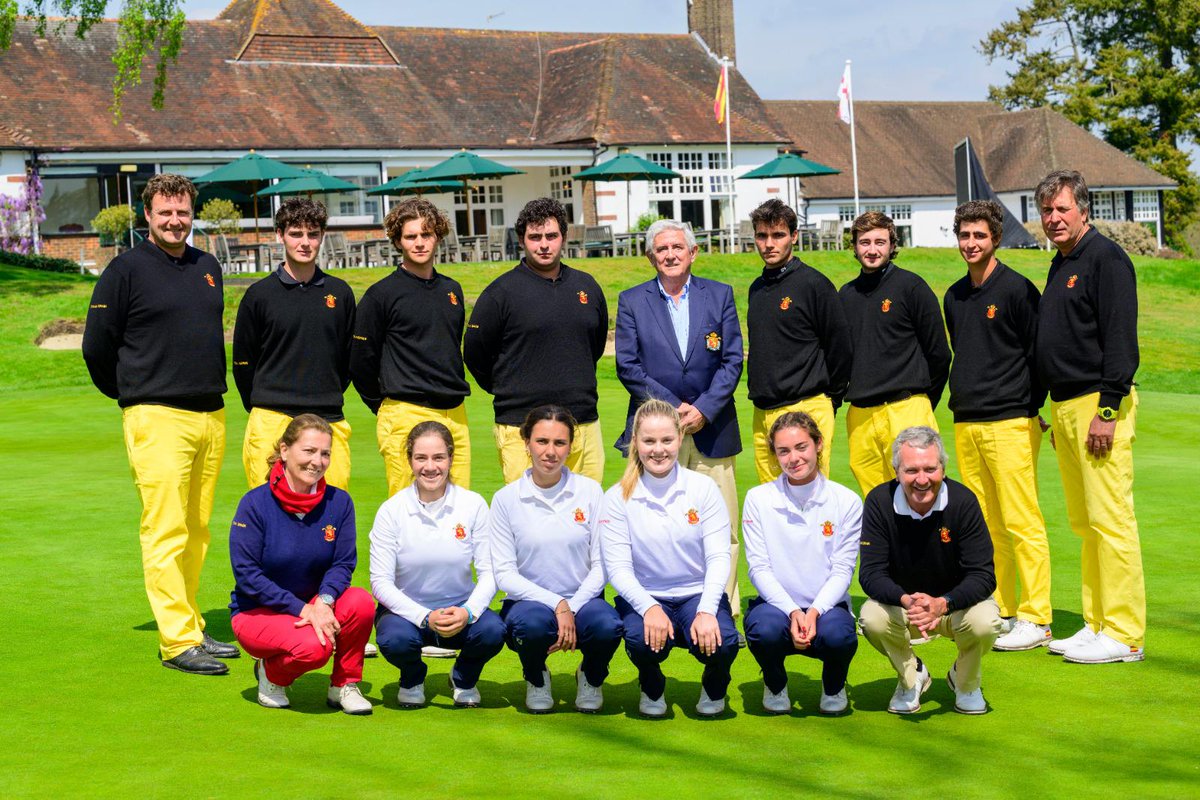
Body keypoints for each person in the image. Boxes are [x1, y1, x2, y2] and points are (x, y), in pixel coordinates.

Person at [82, 173, 238, 675]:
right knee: (166, 528)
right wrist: (133, 394)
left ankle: (190, 621)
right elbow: (97, 347)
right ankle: (175, 642)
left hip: (210, 414)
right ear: (147, 215)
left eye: (183, 211)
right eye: (165, 212)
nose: (175, 220)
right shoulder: (124, 270)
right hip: (156, 415)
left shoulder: (207, 265)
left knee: (196, 530)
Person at [1035, 169, 1145, 664]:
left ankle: (1124, 633)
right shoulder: (1061, 264)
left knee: (1111, 520)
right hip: (1066, 407)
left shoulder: (1106, 260)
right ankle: (1096, 621)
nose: (1053, 219)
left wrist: (1106, 409)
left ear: (1084, 210)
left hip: (1101, 404)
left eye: (1062, 209)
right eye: (1046, 211)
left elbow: (1121, 341)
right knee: (1084, 523)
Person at [614, 218, 744, 624]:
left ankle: (723, 612)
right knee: (644, 526)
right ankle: (649, 609)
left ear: (693, 252)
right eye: (661, 249)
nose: (669, 255)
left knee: (722, 528)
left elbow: (732, 359)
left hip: (712, 429)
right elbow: (628, 366)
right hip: (654, 433)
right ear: (650, 256)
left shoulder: (719, 295)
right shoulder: (632, 300)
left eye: (677, 247)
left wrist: (703, 409)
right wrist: (672, 413)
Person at [943, 200, 1052, 652]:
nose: (971, 244)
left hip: (1011, 421)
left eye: (979, 236)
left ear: (996, 238)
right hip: (967, 422)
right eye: (964, 236)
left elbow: (1040, 355)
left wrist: (1031, 408)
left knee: (1021, 519)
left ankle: (1037, 616)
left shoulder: (1018, 290)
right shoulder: (953, 295)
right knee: (986, 524)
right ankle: (1002, 607)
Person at [600, 399, 739, 717]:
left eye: (666, 440)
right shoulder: (617, 497)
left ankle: (714, 686)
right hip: (648, 596)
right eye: (649, 441)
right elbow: (618, 569)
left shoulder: (702, 488)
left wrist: (705, 610)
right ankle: (651, 685)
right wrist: (649, 607)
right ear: (635, 442)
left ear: (680, 439)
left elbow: (719, 556)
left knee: (725, 640)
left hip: (695, 594)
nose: (658, 449)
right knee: (639, 639)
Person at [227, 414, 374, 714]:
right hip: (258, 611)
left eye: (324, 453)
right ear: (284, 450)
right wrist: (304, 609)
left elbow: (343, 563)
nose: (316, 462)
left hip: (314, 605)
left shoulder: (340, 502)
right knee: (314, 648)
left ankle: (343, 685)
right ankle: (271, 674)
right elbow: (247, 576)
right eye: (308, 451)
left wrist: (324, 601)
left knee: (360, 602)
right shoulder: (254, 503)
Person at [858, 427, 1002, 715]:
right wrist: (906, 600)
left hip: (953, 606)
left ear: (943, 468)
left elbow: (983, 574)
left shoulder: (963, 501)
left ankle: (965, 682)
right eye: (911, 470)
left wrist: (942, 603)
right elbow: (871, 573)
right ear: (896, 470)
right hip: (906, 608)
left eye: (930, 469)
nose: (922, 480)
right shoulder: (879, 501)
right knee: (871, 618)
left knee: (987, 621)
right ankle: (911, 678)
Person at [464, 197, 608, 484]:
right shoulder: (500, 293)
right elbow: (475, 354)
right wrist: (507, 388)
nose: (544, 244)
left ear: (564, 238)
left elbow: (595, 345)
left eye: (551, 236)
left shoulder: (586, 287)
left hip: (583, 422)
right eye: (535, 237)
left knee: (585, 517)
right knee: (529, 519)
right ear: (522, 240)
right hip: (521, 425)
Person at [490, 405, 622, 713]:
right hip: (527, 602)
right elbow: (505, 575)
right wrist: (557, 605)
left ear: (570, 446)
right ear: (526, 443)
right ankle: (536, 676)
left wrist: (571, 606)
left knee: (608, 626)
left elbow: (602, 563)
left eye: (559, 443)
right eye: (542, 441)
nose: (550, 451)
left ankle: (590, 675)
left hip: (584, 598)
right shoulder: (506, 499)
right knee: (531, 628)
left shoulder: (590, 492)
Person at [370, 422, 504, 708]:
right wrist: (424, 616)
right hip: (407, 613)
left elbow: (490, 571)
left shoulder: (473, 504)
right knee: (394, 640)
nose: (430, 467)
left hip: (459, 607)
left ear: (451, 459)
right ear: (409, 460)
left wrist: (468, 612)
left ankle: (463, 678)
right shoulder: (391, 511)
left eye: (438, 457)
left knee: (493, 631)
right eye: (421, 458)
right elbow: (380, 582)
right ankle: (412, 677)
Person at [742, 412, 861, 715]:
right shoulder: (758, 499)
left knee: (839, 636)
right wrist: (794, 611)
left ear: (818, 444)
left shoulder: (846, 501)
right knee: (763, 630)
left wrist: (815, 611)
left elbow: (843, 570)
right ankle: (775, 683)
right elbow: (759, 568)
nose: (793, 458)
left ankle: (833, 687)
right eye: (783, 451)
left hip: (827, 606)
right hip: (777, 606)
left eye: (801, 447)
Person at [350, 198, 472, 494]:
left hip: (455, 414)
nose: (419, 243)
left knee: (459, 509)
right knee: (410, 511)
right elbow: (360, 360)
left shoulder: (452, 291)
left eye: (426, 234)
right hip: (406, 413)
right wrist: (384, 407)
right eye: (410, 236)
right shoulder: (381, 295)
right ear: (398, 241)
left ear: (438, 236)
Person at [233, 198, 356, 491]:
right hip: (271, 419)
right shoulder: (258, 295)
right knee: (270, 513)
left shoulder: (339, 293)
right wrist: (269, 398)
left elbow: (348, 360)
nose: (305, 242)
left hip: (328, 418)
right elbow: (243, 362)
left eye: (312, 234)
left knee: (330, 514)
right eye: (296, 233)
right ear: (280, 235)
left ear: (322, 237)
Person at [839, 211, 951, 496]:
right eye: (865, 242)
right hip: (861, 416)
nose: (872, 249)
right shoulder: (845, 295)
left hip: (907, 408)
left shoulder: (912, 287)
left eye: (880, 241)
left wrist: (922, 401)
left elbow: (938, 353)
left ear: (892, 245)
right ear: (854, 246)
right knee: (876, 500)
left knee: (920, 494)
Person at [746, 199, 852, 480]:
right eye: (762, 235)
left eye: (778, 235)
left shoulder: (814, 284)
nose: (769, 244)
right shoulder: (756, 288)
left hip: (807, 406)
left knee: (811, 501)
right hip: (763, 412)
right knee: (772, 505)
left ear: (793, 236)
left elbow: (840, 348)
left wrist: (832, 399)